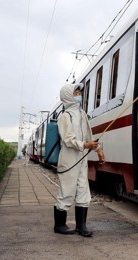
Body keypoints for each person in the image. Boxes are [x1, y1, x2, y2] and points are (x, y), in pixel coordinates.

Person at [53, 83, 105, 237]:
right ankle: (59, 225)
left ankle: (81, 226)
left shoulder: (82, 114)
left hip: (82, 159)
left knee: (83, 190)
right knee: (67, 191)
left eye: (78, 92)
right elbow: (68, 140)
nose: (78, 95)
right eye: (75, 92)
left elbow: (89, 135)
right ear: (68, 96)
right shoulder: (65, 116)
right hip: (69, 159)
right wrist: (85, 145)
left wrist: (99, 149)